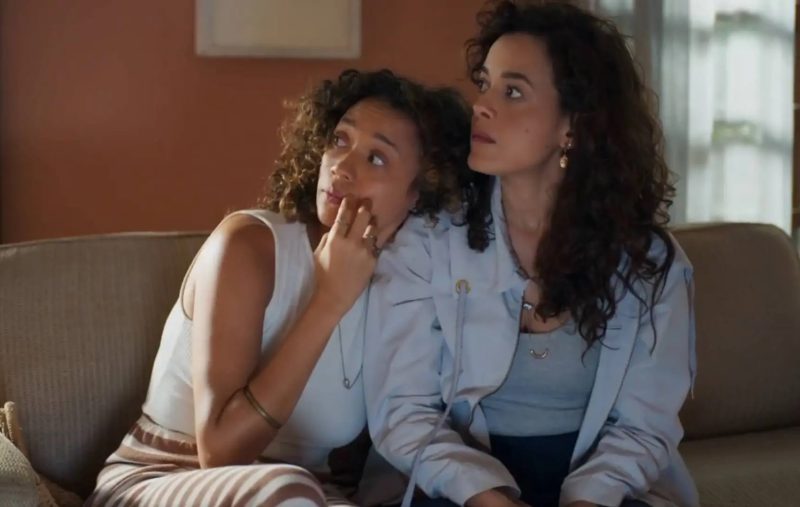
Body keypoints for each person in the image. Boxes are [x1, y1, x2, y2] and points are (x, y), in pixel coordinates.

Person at [87, 68, 472, 507]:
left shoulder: (405, 284)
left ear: (423, 192)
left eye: (376, 158)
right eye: (340, 140)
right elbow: (220, 452)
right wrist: (328, 301)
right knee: (290, 491)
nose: (341, 166)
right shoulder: (248, 247)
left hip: (308, 495)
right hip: (165, 478)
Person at [364, 2, 698, 507]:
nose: (481, 105)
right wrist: (487, 497)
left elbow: (644, 427)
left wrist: (587, 501)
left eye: (513, 91)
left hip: (606, 491)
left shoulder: (648, 261)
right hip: (454, 487)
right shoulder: (428, 241)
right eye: (484, 84)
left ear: (573, 126)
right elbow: (403, 411)